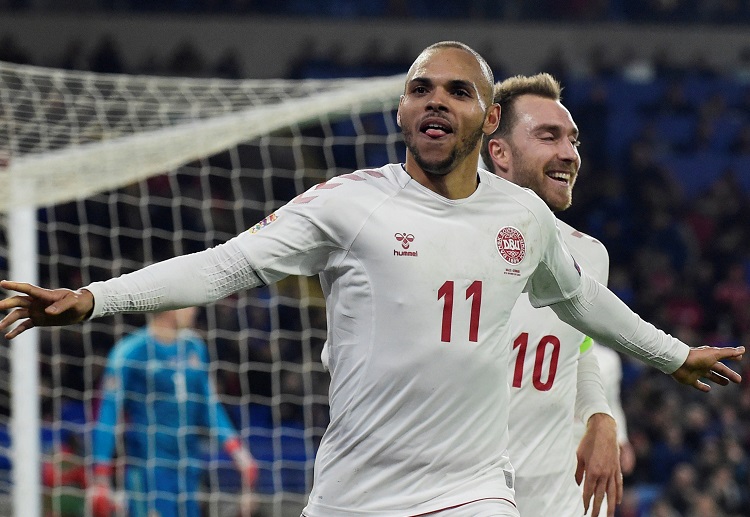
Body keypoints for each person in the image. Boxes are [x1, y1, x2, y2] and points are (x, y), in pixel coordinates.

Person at [0, 41, 743, 517]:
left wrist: (673, 355)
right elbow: (227, 264)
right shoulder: (349, 203)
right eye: (422, 88)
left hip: (473, 490)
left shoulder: (521, 219)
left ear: (484, 121)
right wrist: (100, 298)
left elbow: (584, 302)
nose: (435, 101)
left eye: (455, 91)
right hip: (354, 490)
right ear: (402, 108)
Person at [480, 73, 627, 517]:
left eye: (573, 140)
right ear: (499, 152)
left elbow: (578, 350)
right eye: (549, 136)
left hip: (553, 498)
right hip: (460, 492)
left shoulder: (589, 254)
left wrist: (600, 416)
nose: (569, 153)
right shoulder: (448, 243)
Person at [88, 307, 258, 517]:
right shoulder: (130, 351)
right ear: (168, 305)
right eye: (188, 303)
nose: (195, 309)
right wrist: (101, 474)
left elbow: (208, 404)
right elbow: (109, 414)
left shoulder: (194, 346)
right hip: (149, 469)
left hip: (189, 465)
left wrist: (237, 449)